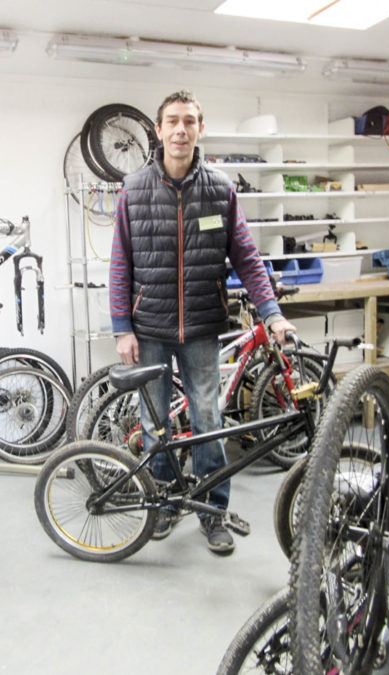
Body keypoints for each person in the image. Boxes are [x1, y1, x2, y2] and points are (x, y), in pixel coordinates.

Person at [109, 89, 296, 556]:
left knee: (209, 420)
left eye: (189, 121)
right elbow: (119, 265)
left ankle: (213, 512)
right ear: (158, 129)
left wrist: (272, 314)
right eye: (172, 121)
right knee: (156, 428)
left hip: (201, 327)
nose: (180, 129)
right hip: (149, 326)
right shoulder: (133, 189)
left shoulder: (219, 188)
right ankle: (166, 505)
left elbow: (249, 261)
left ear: (200, 128)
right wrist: (121, 327)